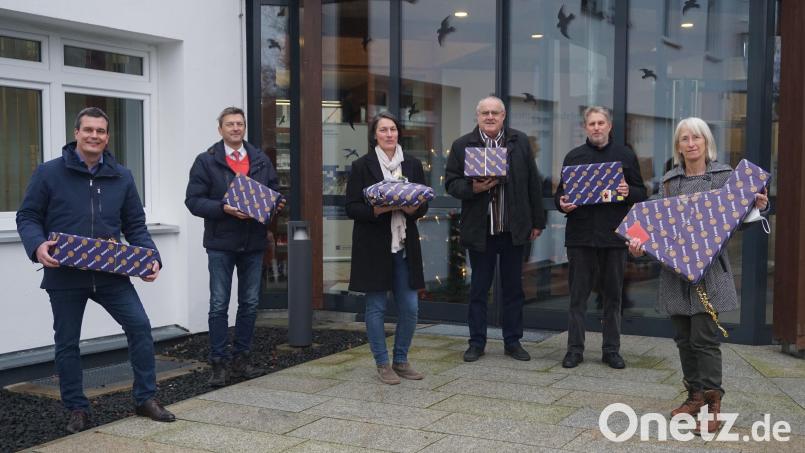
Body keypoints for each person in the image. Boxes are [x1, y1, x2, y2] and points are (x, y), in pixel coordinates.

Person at [16, 107, 175, 433]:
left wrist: (152, 258)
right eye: (88, 130)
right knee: (67, 343)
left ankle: (145, 398)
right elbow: (28, 216)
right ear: (76, 133)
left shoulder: (122, 176)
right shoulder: (49, 173)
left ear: (107, 136)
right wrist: (37, 245)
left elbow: (135, 225)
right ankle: (77, 408)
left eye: (100, 131)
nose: (94, 136)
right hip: (64, 274)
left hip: (111, 274)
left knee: (140, 327)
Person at [628, 117, 768, 434]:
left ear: (706, 142)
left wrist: (758, 205)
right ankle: (694, 397)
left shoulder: (725, 177)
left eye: (697, 138)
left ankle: (713, 405)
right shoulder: (669, 182)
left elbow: (743, 219)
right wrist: (637, 243)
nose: (691, 144)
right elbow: (650, 221)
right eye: (685, 139)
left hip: (709, 272)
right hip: (675, 273)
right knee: (683, 338)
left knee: (704, 339)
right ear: (678, 146)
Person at [185, 106, 285, 387]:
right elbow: (193, 201)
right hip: (221, 243)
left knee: (250, 303)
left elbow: (275, 192)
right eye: (229, 124)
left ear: (244, 127)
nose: (235, 128)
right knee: (219, 304)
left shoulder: (260, 159)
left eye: (239, 123)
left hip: (253, 242)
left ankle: (242, 360)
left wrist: (276, 204)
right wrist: (223, 208)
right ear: (220, 129)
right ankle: (219, 363)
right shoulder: (206, 161)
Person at [445, 96, 546, 363]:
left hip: (513, 229)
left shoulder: (519, 142)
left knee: (514, 290)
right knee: (479, 289)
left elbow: (533, 184)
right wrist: (473, 188)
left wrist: (538, 221)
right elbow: (451, 183)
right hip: (481, 230)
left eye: (495, 113)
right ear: (477, 116)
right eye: (485, 113)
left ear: (503, 116)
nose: (490, 117)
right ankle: (476, 343)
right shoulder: (462, 145)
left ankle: (513, 342)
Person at [555, 106, 647, 369]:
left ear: (609, 126)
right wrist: (562, 203)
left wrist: (628, 191)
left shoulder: (625, 155)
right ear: (585, 127)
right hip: (580, 236)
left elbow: (641, 193)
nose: (596, 127)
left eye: (600, 123)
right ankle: (574, 350)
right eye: (592, 123)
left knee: (613, 297)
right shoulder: (573, 157)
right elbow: (560, 194)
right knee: (577, 297)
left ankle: (611, 351)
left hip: (614, 236)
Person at [345, 112, 429, 385]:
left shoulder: (412, 164)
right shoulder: (361, 165)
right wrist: (377, 210)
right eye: (383, 130)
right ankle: (382, 364)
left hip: (404, 246)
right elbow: (351, 207)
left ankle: (401, 360)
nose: (389, 134)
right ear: (375, 135)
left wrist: (413, 209)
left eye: (393, 129)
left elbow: (423, 204)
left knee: (410, 307)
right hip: (373, 246)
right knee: (376, 307)